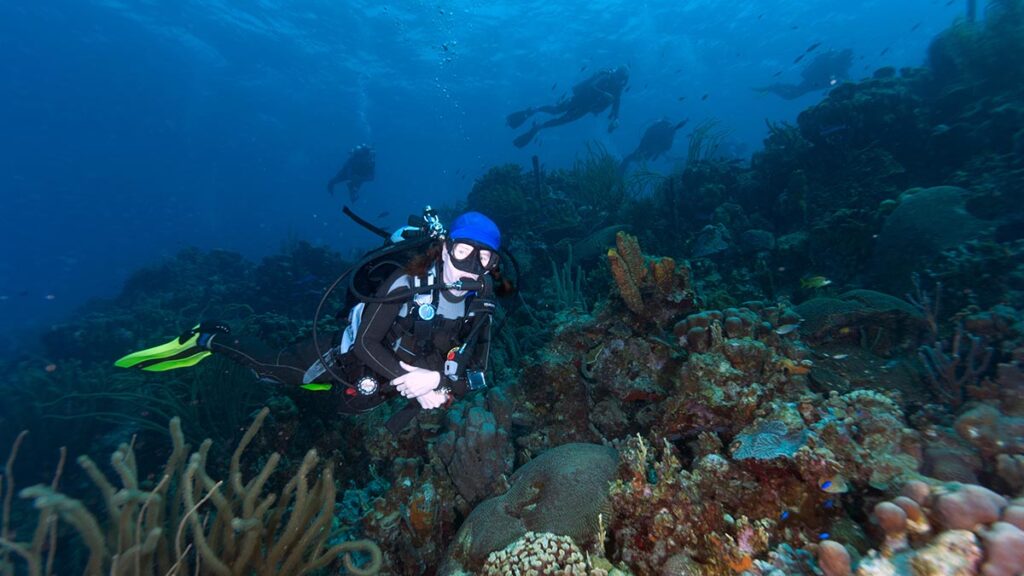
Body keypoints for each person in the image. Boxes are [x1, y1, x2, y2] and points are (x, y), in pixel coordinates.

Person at [115, 210, 509, 433]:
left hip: (387, 385)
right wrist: (417, 384)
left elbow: (479, 372)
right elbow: (363, 344)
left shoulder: (482, 305)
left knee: (350, 409)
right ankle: (208, 338)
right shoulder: (406, 283)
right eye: (462, 251)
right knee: (272, 370)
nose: (472, 267)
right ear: (443, 249)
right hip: (345, 358)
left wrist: (437, 382)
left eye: (485, 259)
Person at [507, 65, 630, 148]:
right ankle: (534, 110)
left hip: (585, 109)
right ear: (617, 75)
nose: (620, 83)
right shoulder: (606, 76)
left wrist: (616, 119)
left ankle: (540, 127)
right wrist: (604, 94)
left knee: (563, 120)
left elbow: (616, 103)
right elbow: (591, 86)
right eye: (620, 79)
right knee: (556, 110)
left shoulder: (617, 89)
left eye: (623, 81)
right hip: (578, 99)